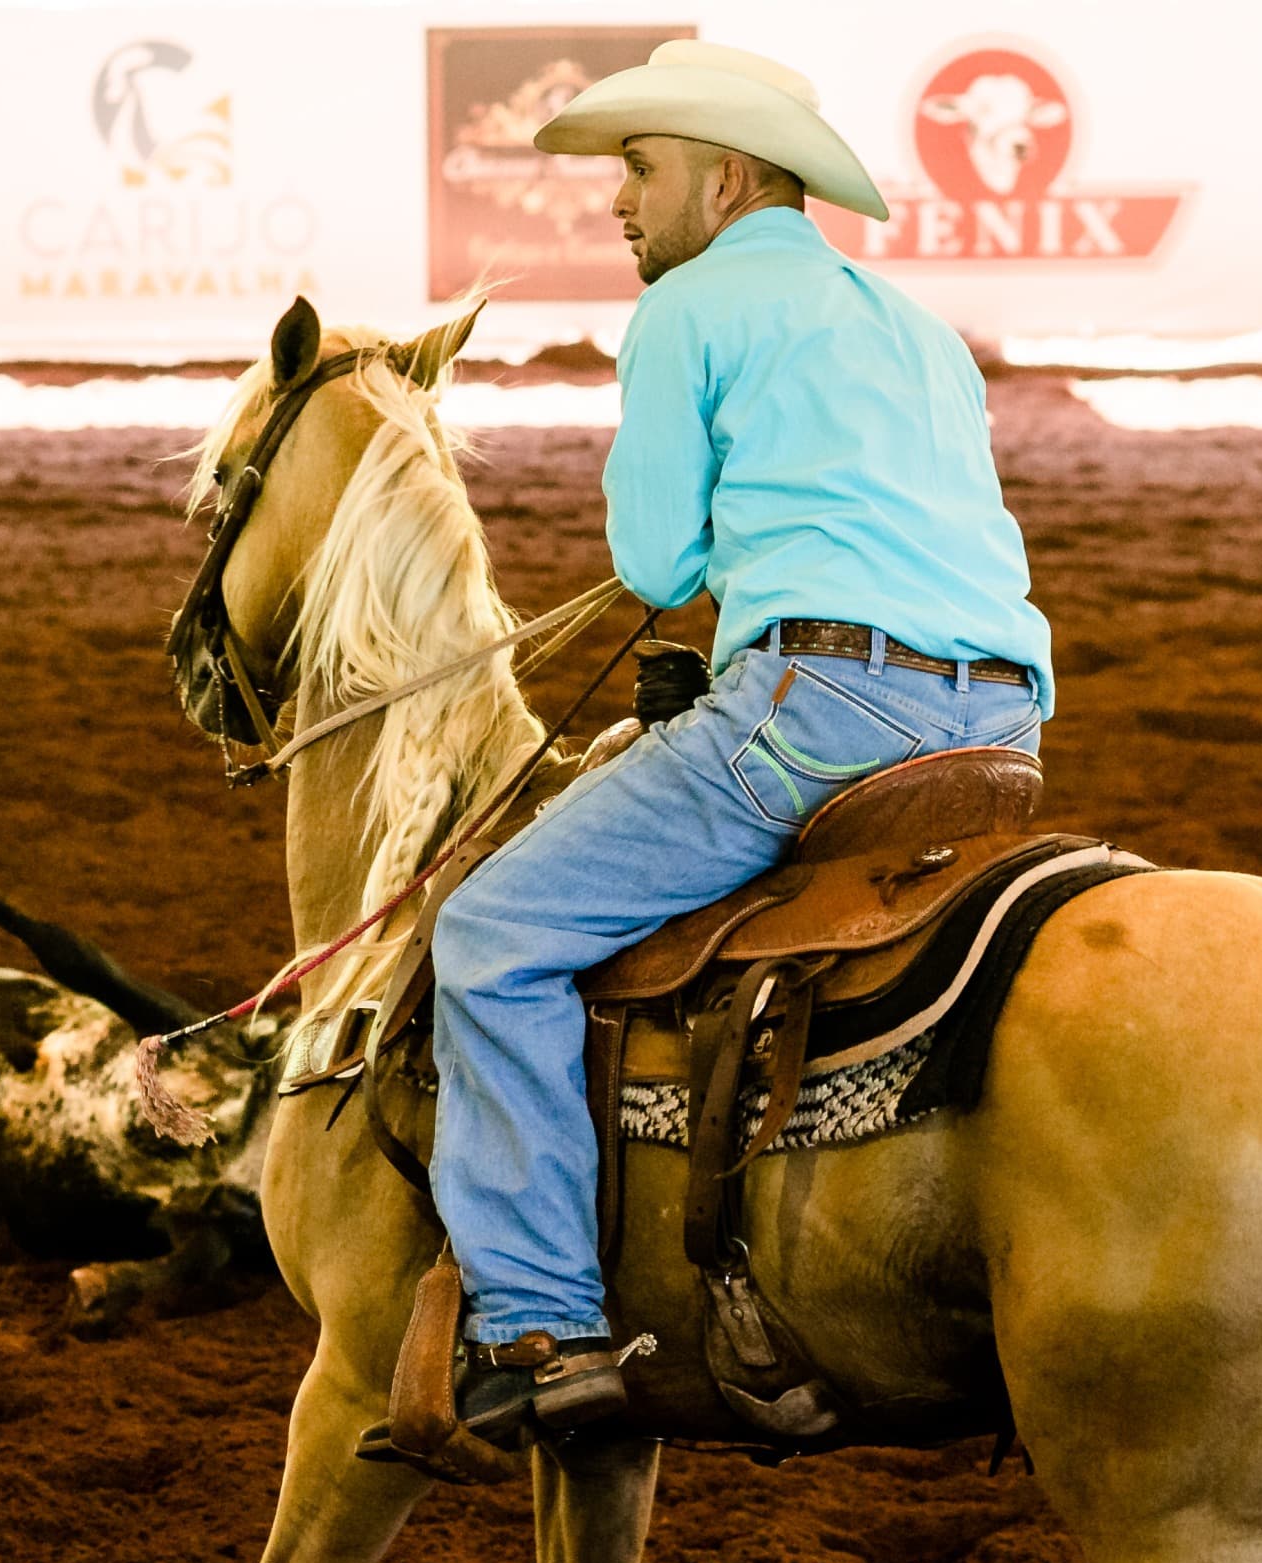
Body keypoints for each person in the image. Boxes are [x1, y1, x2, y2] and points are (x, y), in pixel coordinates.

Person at [413, 41, 1055, 1446]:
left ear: (727, 179)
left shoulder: (690, 307)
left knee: (491, 935)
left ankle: (541, 1323)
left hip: (819, 712)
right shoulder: (920, 328)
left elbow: (655, 560)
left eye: (640, 170)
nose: (619, 202)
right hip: (1000, 725)